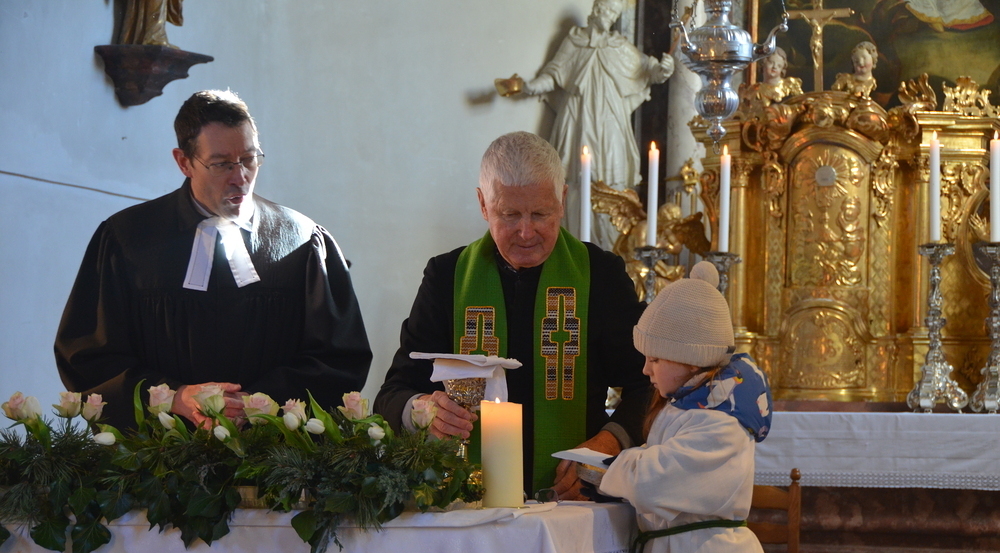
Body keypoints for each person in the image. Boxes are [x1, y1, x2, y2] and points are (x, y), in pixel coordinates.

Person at [55, 89, 372, 430]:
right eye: (221, 164)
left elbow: (339, 358)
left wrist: (257, 404)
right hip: (160, 452)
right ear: (184, 162)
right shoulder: (127, 238)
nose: (241, 177)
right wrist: (174, 397)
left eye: (249, 159)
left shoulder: (302, 240)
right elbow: (88, 357)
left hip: (272, 449)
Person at [373, 131, 650, 498]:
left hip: (575, 504)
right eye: (510, 214)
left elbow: (649, 385)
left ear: (562, 200)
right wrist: (422, 409)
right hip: (465, 505)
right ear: (483, 204)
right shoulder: (447, 277)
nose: (526, 232)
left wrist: (607, 444)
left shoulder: (600, 276)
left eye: (540, 214)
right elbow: (392, 395)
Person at [596, 261, 775, 553]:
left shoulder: (722, 423)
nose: (645, 369)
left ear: (691, 360)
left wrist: (612, 467)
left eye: (656, 359)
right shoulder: (684, 407)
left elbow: (653, 480)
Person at [505, 0, 674, 250]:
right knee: (576, 179)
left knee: (613, 178)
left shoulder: (619, 46)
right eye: (606, 10)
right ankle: (575, 246)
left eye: (614, 13)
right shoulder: (575, 42)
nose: (609, 16)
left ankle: (612, 249)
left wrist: (665, 70)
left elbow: (650, 72)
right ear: (596, 10)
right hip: (578, 121)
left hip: (611, 123)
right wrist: (528, 87)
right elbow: (553, 75)